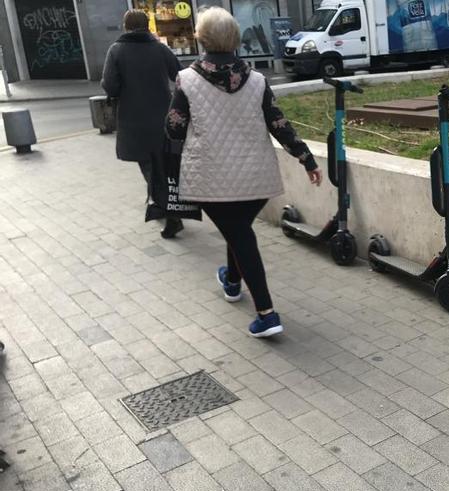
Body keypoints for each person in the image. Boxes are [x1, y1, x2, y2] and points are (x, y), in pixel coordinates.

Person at [165, 7, 322, 338]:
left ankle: (266, 313)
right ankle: (232, 282)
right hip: (256, 179)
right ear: (235, 38)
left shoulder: (187, 79)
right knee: (237, 228)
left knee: (239, 234)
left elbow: (174, 130)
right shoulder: (258, 80)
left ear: (201, 38)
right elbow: (279, 124)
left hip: (210, 180)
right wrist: (306, 158)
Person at [102, 10, 184, 239]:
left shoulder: (116, 50)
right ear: (147, 25)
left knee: (149, 167)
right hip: (163, 116)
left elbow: (110, 86)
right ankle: (162, 205)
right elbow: (179, 74)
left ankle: (169, 213)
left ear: (126, 26)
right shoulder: (159, 48)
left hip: (134, 120)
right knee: (164, 166)